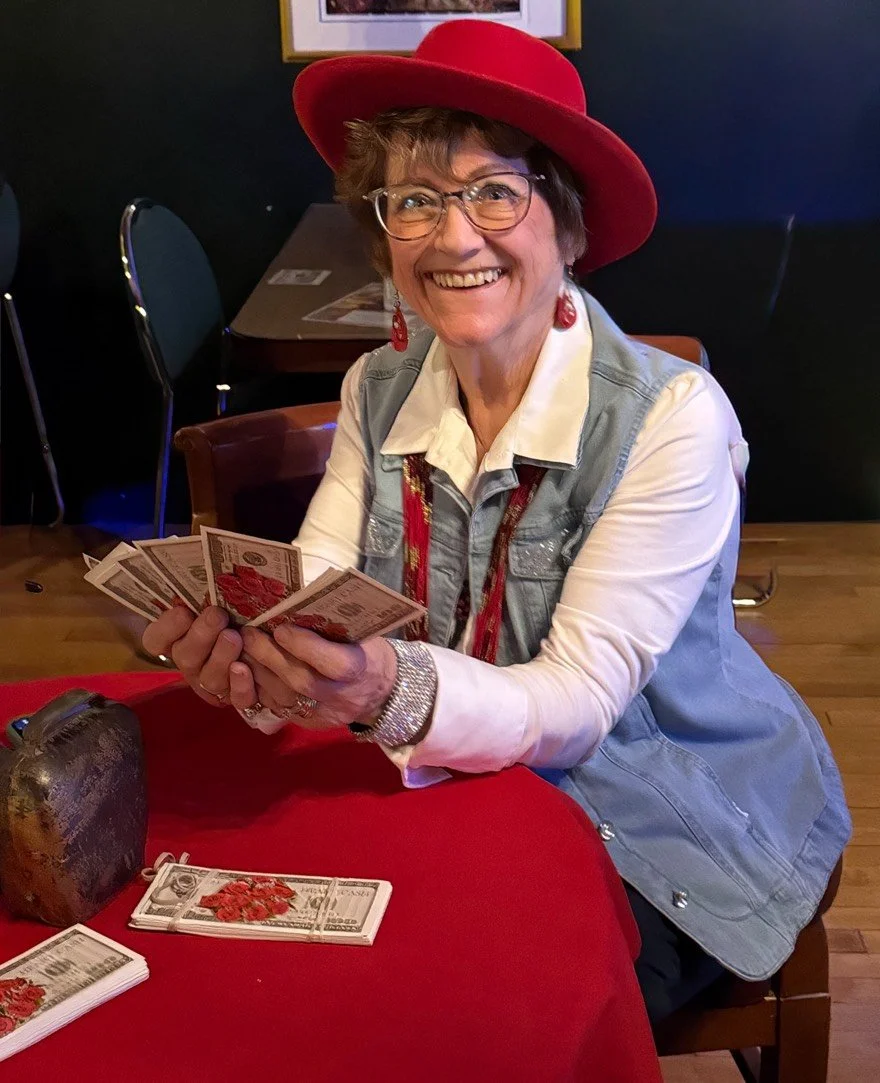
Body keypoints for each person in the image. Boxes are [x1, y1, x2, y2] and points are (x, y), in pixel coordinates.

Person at [143, 19, 850, 1024]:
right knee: (278, 993)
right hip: (451, 776)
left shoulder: (672, 415)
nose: (454, 235)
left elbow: (575, 704)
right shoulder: (377, 389)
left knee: (471, 1021)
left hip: (658, 811)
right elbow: (315, 595)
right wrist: (260, 671)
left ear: (565, 224)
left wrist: (384, 687)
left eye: (493, 192)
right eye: (415, 201)